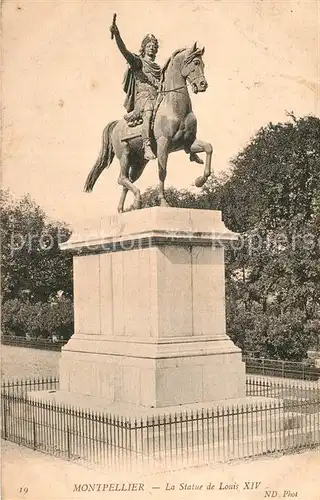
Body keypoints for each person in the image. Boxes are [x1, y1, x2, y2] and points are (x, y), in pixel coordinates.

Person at [110, 20, 161, 161]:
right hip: (143, 99)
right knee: (149, 110)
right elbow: (124, 51)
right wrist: (117, 35)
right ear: (143, 48)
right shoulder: (138, 62)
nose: (152, 48)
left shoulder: (158, 67)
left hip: (157, 96)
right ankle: (147, 145)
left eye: (154, 46)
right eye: (149, 46)